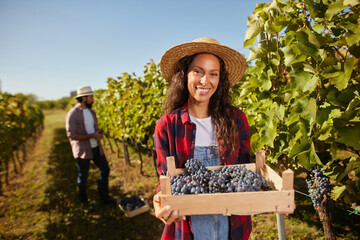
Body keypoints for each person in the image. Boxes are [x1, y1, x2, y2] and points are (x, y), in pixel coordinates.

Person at [153, 37, 252, 240]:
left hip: (232, 224)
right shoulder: (168, 125)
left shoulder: (236, 119)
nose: (205, 81)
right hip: (189, 225)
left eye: (213, 74)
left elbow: (244, 170)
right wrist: (159, 198)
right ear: (185, 75)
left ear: (220, 80)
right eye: (198, 71)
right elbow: (164, 178)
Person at [65, 86, 115, 211]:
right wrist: (92, 135)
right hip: (83, 151)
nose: (93, 99)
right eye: (91, 97)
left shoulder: (91, 112)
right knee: (83, 177)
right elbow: (72, 135)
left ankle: (104, 198)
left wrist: (98, 133)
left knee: (105, 170)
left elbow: (92, 128)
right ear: (83, 98)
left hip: (96, 147)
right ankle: (85, 203)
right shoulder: (72, 114)